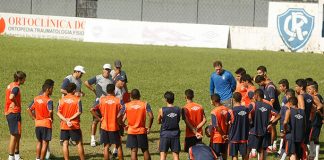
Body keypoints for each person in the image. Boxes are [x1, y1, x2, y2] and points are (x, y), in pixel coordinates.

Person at [118, 89, 154, 160]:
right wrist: (149, 127)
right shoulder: (145, 104)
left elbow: (118, 116)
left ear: (130, 97)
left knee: (133, 150)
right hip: (141, 130)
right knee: (145, 150)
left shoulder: (126, 105)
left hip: (131, 131)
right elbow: (151, 116)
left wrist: (123, 125)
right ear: (139, 96)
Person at [90, 84, 124, 160]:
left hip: (104, 126)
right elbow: (124, 110)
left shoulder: (101, 100)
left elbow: (91, 110)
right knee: (118, 146)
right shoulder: (118, 100)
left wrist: (99, 119)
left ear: (106, 91)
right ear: (114, 91)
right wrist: (120, 120)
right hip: (115, 127)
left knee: (106, 146)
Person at [84, 64, 114, 147]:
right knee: (95, 121)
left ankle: (102, 138)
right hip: (99, 103)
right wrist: (93, 90)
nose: (107, 71)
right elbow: (86, 82)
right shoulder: (98, 77)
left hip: (107, 104)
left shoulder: (111, 79)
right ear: (103, 69)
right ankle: (92, 139)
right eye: (106, 69)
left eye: (109, 70)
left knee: (104, 120)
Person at [247, 89, 280, 160]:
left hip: (253, 131)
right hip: (264, 131)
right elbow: (278, 115)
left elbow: (247, 114)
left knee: (248, 149)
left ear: (256, 95)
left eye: (254, 95)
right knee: (261, 151)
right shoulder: (268, 106)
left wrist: (250, 122)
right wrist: (272, 122)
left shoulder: (253, 105)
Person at [57, 83, 85, 160]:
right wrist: (70, 119)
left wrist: (66, 120)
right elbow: (79, 112)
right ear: (74, 90)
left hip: (64, 125)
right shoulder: (77, 100)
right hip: (74, 125)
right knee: (79, 143)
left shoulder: (61, 100)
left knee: (65, 143)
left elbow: (58, 112)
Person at [27, 82, 54, 160]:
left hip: (38, 123)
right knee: (45, 143)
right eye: (52, 89)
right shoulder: (49, 100)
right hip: (46, 123)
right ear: (47, 89)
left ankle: (37, 158)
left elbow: (29, 109)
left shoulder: (36, 98)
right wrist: (51, 118)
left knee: (39, 142)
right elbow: (50, 111)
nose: (52, 91)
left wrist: (33, 118)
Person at [255, 75, 280, 152]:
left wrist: (267, 107)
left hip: (272, 110)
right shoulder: (266, 86)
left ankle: (272, 145)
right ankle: (269, 144)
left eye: (259, 83)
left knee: (272, 127)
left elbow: (272, 100)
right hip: (269, 109)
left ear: (262, 81)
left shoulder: (270, 87)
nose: (259, 85)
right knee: (269, 127)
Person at [5, 71, 26, 160]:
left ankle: (16, 155)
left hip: (10, 112)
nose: (25, 80)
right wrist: (16, 103)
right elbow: (11, 96)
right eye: (24, 78)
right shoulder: (16, 87)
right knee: (14, 135)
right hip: (14, 113)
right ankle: (11, 157)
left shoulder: (11, 84)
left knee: (17, 134)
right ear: (20, 79)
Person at [158, 91, 181, 160]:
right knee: (176, 156)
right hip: (175, 134)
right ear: (173, 99)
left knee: (163, 155)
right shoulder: (178, 109)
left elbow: (158, 120)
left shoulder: (162, 110)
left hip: (165, 134)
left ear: (166, 99)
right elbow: (178, 120)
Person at [228, 92, 250, 160]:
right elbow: (249, 120)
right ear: (241, 99)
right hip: (244, 136)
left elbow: (228, 123)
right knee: (245, 155)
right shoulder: (246, 109)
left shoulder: (232, 111)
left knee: (234, 156)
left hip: (234, 136)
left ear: (233, 99)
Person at [209, 93, 230, 159]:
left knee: (215, 156)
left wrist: (222, 135)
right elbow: (229, 123)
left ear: (214, 101)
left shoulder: (214, 112)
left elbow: (216, 126)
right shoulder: (227, 109)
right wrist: (226, 135)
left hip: (217, 138)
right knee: (224, 156)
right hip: (226, 138)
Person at [295, 79, 313, 148]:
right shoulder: (310, 97)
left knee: (300, 143)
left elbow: (302, 109)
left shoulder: (300, 96)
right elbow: (314, 109)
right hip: (308, 122)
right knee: (305, 142)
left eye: (296, 86)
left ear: (301, 87)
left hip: (301, 123)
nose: (295, 88)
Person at [307, 81, 323, 159]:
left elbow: (320, 106)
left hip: (316, 120)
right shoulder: (320, 96)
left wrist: (315, 110)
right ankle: (312, 154)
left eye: (310, 89)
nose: (308, 91)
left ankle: (314, 155)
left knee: (313, 138)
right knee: (313, 138)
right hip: (318, 120)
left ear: (314, 89)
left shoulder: (315, 97)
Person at [277, 89, 295, 159]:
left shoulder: (287, 107)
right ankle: (281, 154)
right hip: (288, 127)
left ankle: (282, 157)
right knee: (285, 143)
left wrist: (283, 129)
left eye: (286, 95)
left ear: (289, 96)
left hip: (286, 127)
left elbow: (283, 118)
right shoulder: (293, 106)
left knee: (286, 144)